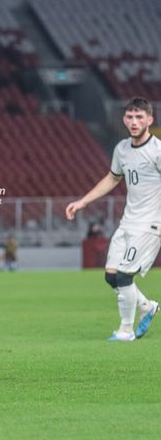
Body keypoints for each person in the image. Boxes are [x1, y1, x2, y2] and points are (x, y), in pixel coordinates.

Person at [66, 97, 160, 341]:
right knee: (111, 276)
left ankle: (126, 331)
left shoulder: (157, 151)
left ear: (150, 119)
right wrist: (83, 202)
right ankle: (147, 307)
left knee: (124, 276)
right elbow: (112, 178)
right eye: (130, 116)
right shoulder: (122, 149)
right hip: (128, 222)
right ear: (124, 119)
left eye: (140, 117)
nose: (134, 121)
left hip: (150, 225)